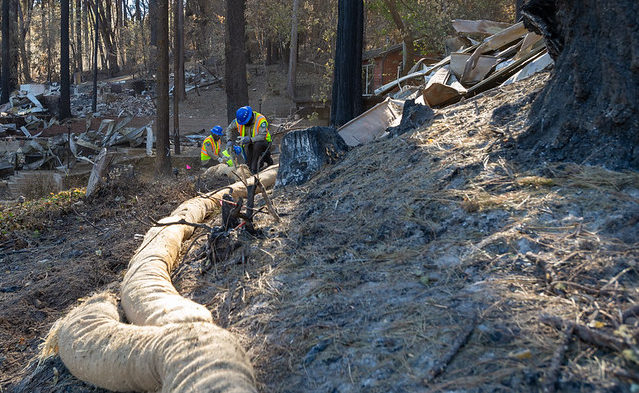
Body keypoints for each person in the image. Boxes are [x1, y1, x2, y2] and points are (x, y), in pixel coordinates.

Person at [225, 106, 275, 216]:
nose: (245, 125)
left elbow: (262, 135)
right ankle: (256, 166)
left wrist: (250, 139)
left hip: (263, 142)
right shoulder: (239, 121)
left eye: (247, 122)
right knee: (250, 157)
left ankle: (254, 170)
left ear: (251, 116)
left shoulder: (260, 119)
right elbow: (229, 129)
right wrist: (229, 140)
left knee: (257, 147)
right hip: (250, 143)